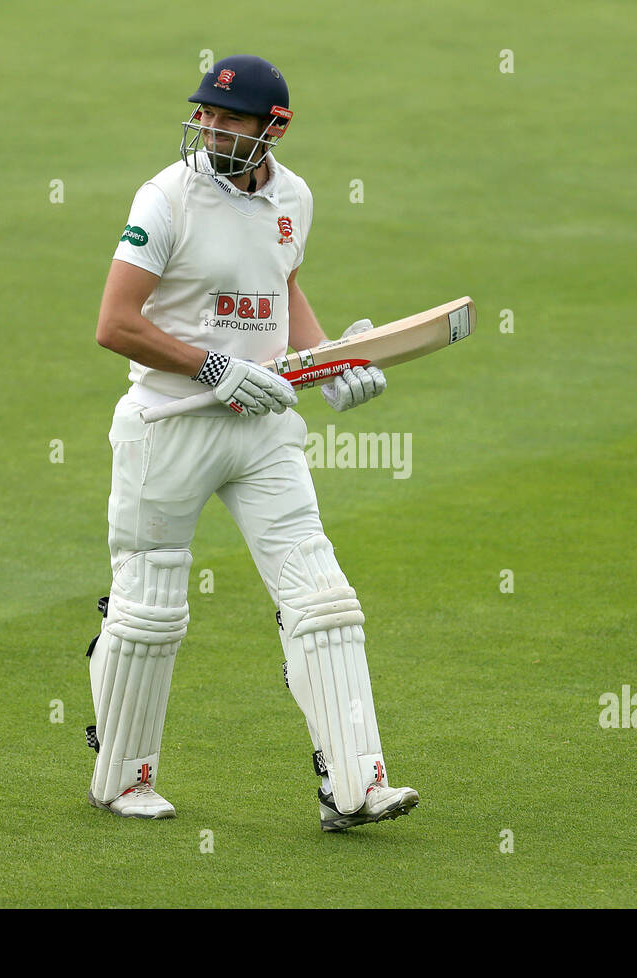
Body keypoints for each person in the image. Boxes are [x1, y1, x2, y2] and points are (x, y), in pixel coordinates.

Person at [85, 54, 419, 831]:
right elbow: (116, 324)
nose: (208, 128)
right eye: (203, 114)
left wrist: (330, 362)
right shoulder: (166, 197)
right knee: (150, 610)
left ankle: (357, 783)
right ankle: (123, 778)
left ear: (276, 127)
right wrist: (213, 365)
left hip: (265, 426)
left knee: (323, 597)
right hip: (169, 424)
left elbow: (282, 284)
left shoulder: (294, 197)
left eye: (228, 119)